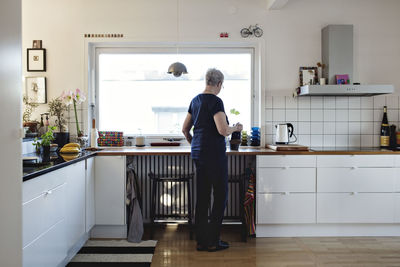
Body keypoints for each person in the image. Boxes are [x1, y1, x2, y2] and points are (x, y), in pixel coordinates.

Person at [182, 68, 243, 252]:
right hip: (214, 155)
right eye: (221, 85)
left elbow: (185, 129)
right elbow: (222, 130)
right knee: (221, 196)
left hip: (199, 154)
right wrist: (236, 127)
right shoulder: (216, 101)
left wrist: (194, 144)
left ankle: (201, 241)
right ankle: (213, 241)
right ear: (218, 84)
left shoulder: (195, 101)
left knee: (202, 197)